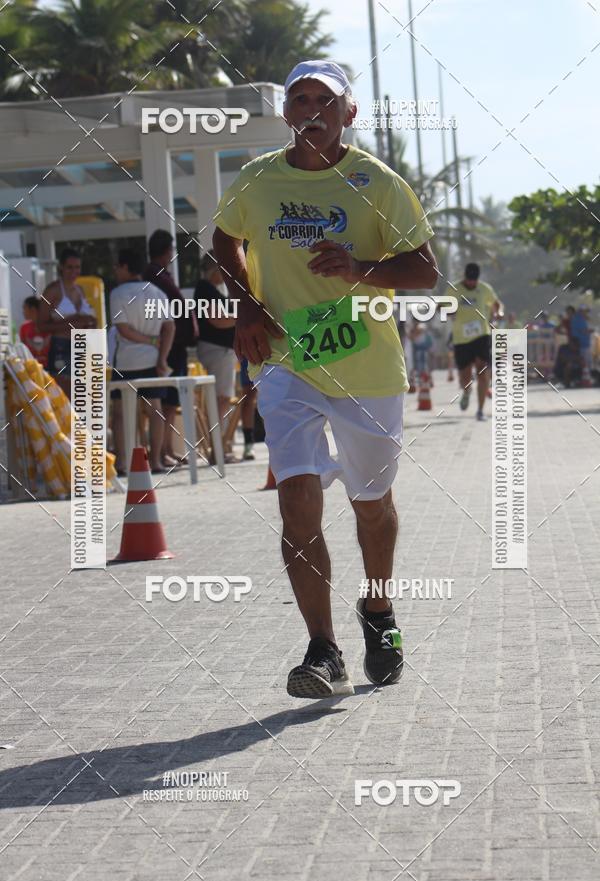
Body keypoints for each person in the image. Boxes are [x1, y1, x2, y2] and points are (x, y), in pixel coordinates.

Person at [213, 59, 437, 699]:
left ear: (349, 113)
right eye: (300, 98)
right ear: (286, 112)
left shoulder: (377, 183)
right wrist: (247, 305)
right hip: (287, 364)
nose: (311, 108)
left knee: (372, 506)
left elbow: (423, 273)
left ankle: (380, 611)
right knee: (296, 499)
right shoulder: (256, 180)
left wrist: (361, 268)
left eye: (324, 99)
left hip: (366, 367)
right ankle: (322, 649)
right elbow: (223, 239)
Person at [109, 248, 175, 475]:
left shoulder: (118, 294)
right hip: (152, 360)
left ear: (126, 267)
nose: (115, 271)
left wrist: (150, 340)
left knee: (120, 414)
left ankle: (122, 462)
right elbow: (170, 326)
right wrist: (162, 355)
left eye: (117, 266)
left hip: (125, 361)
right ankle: (155, 460)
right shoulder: (156, 292)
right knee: (155, 410)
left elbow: (123, 330)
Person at [144, 229, 199, 467]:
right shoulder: (155, 277)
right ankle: (162, 450)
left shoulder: (158, 275)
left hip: (174, 346)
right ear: (167, 252)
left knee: (170, 403)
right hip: (167, 347)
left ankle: (166, 448)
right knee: (165, 402)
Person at [195, 252, 238, 461]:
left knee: (221, 399)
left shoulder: (209, 289)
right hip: (218, 351)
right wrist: (242, 317)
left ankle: (220, 446)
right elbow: (218, 319)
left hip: (218, 350)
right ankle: (218, 449)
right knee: (222, 399)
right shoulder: (205, 289)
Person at [447, 262, 502, 421]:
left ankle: (480, 410)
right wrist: (449, 312)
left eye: (474, 280)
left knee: (482, 371)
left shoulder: (485, 288)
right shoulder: (454, 289)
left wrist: (497, 314)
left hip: (481, 335)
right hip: (461, 338)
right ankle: (467, 391)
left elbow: (496, 304)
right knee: (465, 376)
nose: (471, 282)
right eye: (469, 279)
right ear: (465, 277)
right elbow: (441, 306)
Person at [38, 247, 97, 394]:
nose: (73, 272)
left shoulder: (80, 290)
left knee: (83, 397)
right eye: (69, 267)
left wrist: (90, 323)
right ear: (61, 268)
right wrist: (73, 323)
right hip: (61, 347)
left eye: (77, 267)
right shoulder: (53, 291)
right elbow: (41, 325)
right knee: (65, 398)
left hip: (82, 347)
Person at [19, 296, 51, 367]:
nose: (23, 312)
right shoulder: (24, 328)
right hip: (32, 370)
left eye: (24, 308)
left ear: (33, 309)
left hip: (50, 369)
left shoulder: (50, 327)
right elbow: (23, 350)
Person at [570, 305, 592, 373]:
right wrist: (590, 331)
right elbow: (583, 330)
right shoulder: (579, 319)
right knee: (584, 361)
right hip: (581, 344)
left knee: (584, 361)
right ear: (581, 311)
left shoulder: (580, 318)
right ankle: (583, 376)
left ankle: (583, 376)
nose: (586, 313)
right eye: (585, 311)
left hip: (581, 344)